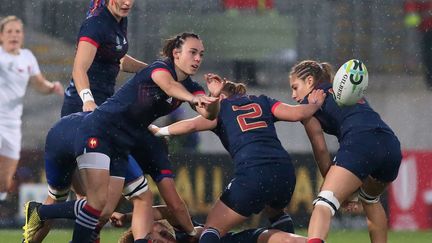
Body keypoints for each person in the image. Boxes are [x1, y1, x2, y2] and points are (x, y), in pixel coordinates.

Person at [25, 32, 219, 243]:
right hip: (99, 130)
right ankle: (42, 213)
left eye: (201, 54)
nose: (198, 58)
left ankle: (41, 212)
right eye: (193, 52)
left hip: (119, 143)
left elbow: (208, 113)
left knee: (105, 209)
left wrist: (213, 99)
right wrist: (193, 99)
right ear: (176, 53)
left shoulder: (191, 87)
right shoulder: (159, 69)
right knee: (100, 203)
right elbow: (169, 87)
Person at [150, 75, 326, 243]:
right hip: (285, 172)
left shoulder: (221, 109)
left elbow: (191, 124)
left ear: (222, 96)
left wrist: (161, 131)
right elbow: (297, 114)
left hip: (253, 172)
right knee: (275, 212)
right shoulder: (262, 101)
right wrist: (314, 105)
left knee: (212, 228)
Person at [288, 60, 402, 243]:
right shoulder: (351, 92)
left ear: (309, 81)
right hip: (390, 144)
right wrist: (347, 190)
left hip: (360, 142)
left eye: (295, 87)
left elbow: (321, 149)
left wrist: (335, 186)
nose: (293, 95)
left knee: (325, 203)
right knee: (371, 200)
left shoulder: (309, 104)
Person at [22, 112, 152, 243]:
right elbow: (170, 208)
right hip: (87, 136)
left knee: (68, 199)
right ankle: (41, 212)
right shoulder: (124, 150)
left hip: (62, 133)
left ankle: (39, 214)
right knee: (105, 205)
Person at [0, 15, 64, 202]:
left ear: (22, 35)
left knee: (4, 184)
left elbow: (39, 84)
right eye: (9, 31)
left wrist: (51, 87)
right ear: (1, 36)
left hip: (13, 125)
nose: (14, 35)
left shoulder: (27, 57)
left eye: (17, 31)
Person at [61, 0, 147, 117]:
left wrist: (149, 69)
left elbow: (118, 59)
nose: (127, 3)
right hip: (81, 106)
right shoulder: (95, 24)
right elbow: (79, 70)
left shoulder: (120, 19)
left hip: (104, 101)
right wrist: (88, 100)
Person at [404, 0, 432, 90]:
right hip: (425, 30)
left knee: (428, 56)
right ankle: (430, 81)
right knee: (428, 56)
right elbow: (411, 14)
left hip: (425, 30)